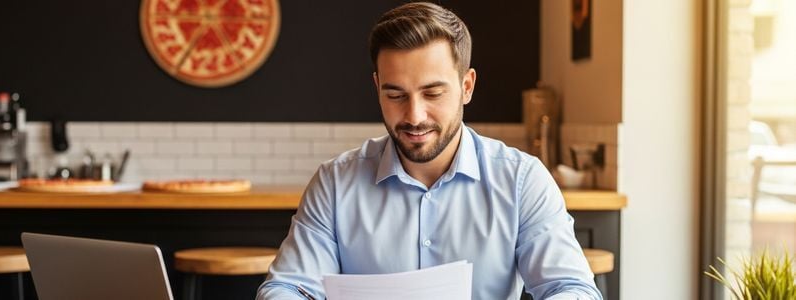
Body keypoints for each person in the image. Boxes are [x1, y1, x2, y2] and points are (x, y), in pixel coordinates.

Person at [257, 2, 601, 299]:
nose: (414, 116)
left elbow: (572, 288)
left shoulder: (521, 180)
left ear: (467, 87)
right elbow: (286, 287)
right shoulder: (335, 183)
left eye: (433, 94)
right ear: (377, 87)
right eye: (395, 95)